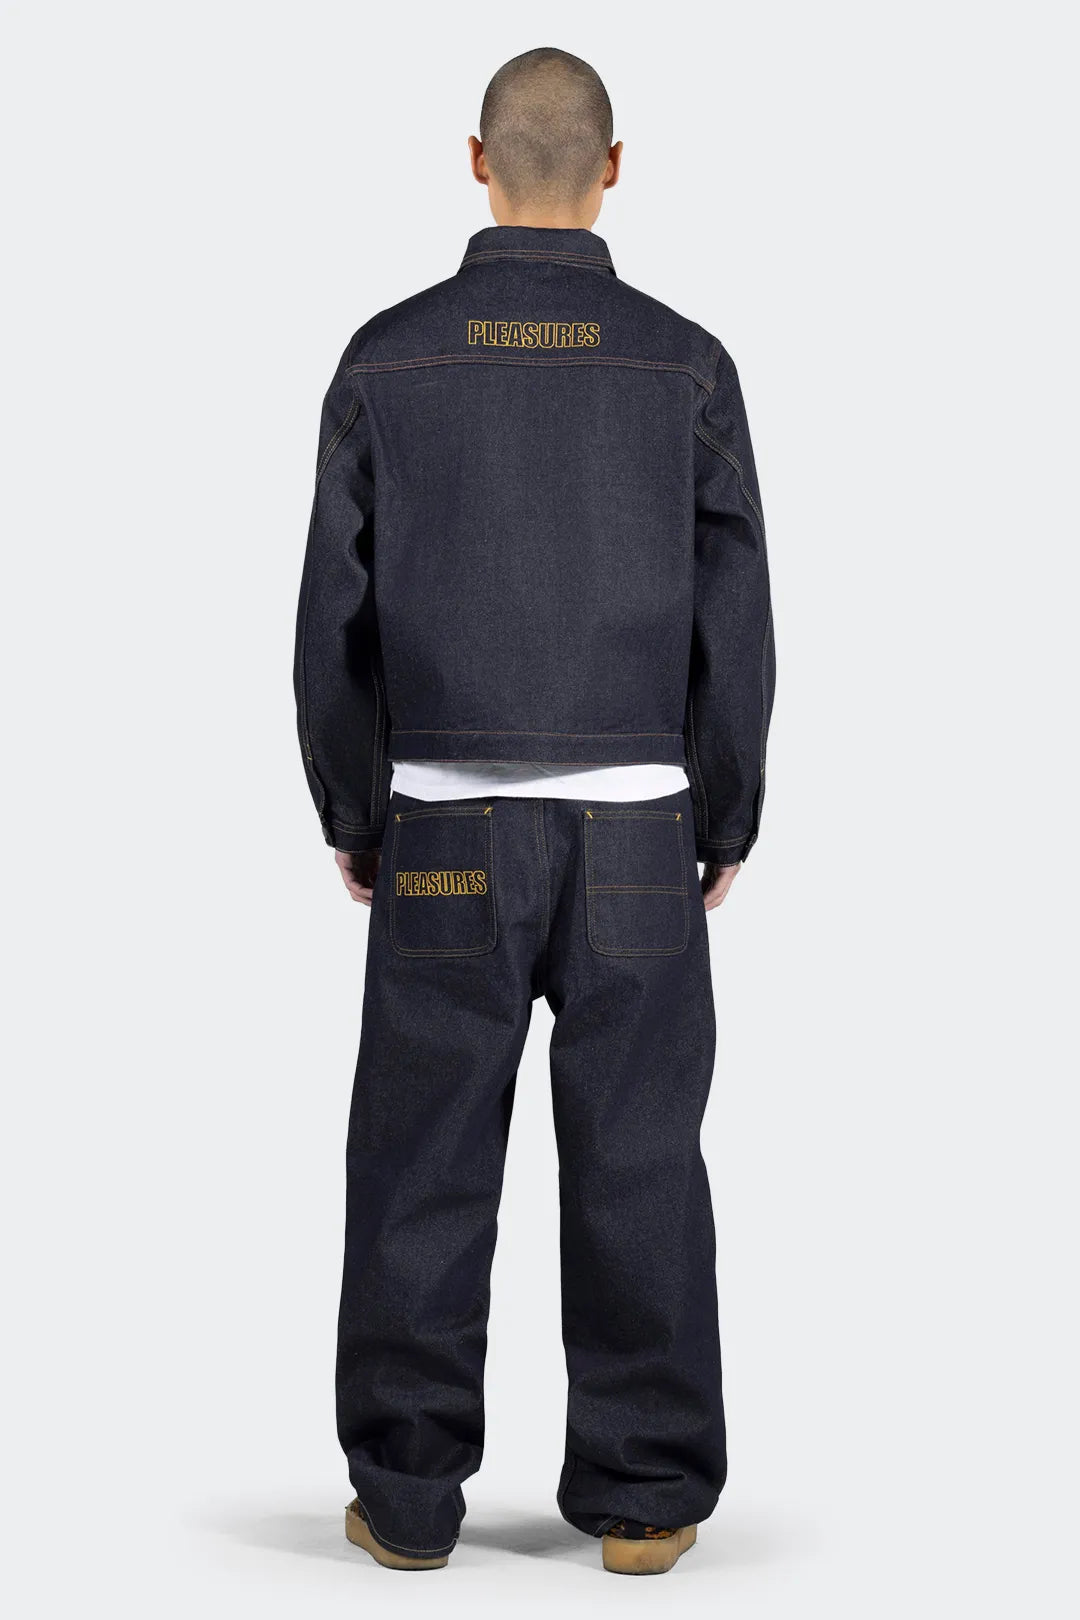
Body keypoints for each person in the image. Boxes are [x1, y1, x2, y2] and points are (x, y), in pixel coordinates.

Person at [294, 45, 775, 1577]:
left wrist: (355, 809)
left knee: (420, 1164)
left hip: (445, 832)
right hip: (637, 835)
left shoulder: (387, 360)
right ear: (612, 168)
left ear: (478, 161)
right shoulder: (684, 364)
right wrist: (726, 811)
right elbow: (737, 610)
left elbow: (332, 622)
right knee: (643, 1161)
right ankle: (647, 1495)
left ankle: (408, 1500)